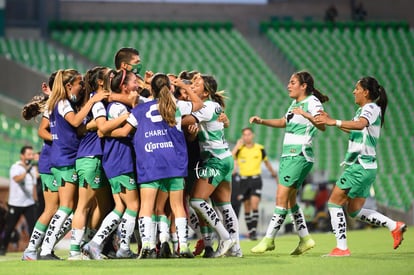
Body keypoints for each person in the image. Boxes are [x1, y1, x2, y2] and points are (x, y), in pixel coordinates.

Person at [107, 73, 203, 258]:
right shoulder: (176, 105)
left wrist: (104, 132)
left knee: (147, 206)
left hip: (150, 162)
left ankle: (148, 246)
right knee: (177, 206)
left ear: (151, 89)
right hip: (174, 163)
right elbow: (199, 105)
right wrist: (186, 87)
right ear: (170, 87)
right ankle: (183, 246)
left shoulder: (140, 110)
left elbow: (124, 132)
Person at [315, 76, 406, 256]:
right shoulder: (363, 110)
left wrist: (334, 122)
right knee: (354, 210)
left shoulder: (370, 108)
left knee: (334, 202)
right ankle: (394, 225)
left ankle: (341, 248)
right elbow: (355, 128)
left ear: (366, 92)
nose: (353, 91)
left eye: (356, 88)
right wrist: (332, 120)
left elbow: (360, 124)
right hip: (367, 167)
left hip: (359, 165)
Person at [249, 71, 329, 255]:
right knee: (291, 200)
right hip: (289, 155)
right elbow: (284, 121)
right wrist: (262, 121)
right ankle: (305, 239)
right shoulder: (295, 103)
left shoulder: (312, 102)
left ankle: (268, 239)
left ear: (304, 86)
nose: (288, 85)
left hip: (299, 155)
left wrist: (306, 114)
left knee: (281, 198)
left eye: (293, 82)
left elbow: (322, 125)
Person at [39, 69, 108, 260]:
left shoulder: (55, 102)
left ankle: (47, 248)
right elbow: (76, 122)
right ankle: (47, 249)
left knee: (71, 206)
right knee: (68, 207)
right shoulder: (62, 103)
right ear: (69, 86)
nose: (82, 86)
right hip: (65, 159)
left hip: (61, 158)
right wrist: (93, 102)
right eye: (79, 83)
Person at [183, 74, 241, 258]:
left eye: (196, 84)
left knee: (197, 200)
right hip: (223, 157)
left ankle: (225, 237)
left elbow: (184, 121)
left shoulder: (206, 107)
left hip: (215, 159)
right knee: (224, 205)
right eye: (192, 83)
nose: (192, 86)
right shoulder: (213, 106)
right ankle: (236, 248)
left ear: (206, 92)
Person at [232, 127, 278, 240]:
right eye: (245, 135)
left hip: (256, 179)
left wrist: (274, 175)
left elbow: (267, 163)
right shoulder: (240, 149)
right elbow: (230, 158)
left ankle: (253, 232)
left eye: (249, 134)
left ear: (253, 135)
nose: (247, 136)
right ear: (242, 136)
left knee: (254, 205)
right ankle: (251, 231)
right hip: (243, 180)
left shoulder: (260, 148)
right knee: (246, 207)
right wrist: (237, 146)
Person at [0, 145, 37, 256]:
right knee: (10, 226)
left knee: (33, 226)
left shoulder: (33, 169)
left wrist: (36, 200)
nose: (30, 157)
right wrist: (26, 171)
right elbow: (16, 179)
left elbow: (33, 186)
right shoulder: (16, 167)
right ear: (22, 156)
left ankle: (33, 249)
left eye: (32, 154)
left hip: (29, 203)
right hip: (16, 203)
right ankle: (2, 248)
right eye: (28, 154)